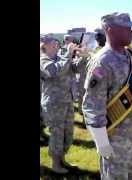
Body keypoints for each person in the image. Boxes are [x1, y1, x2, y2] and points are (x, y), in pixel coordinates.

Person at [82, 12, 132, 180]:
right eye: (126, 28)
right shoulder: (102, 62)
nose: (131, 31)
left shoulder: (130, 56)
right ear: (110, 30)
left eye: (131, 28)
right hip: (113, 138)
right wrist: (101, 141)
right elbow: (91, 105)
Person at [40, 35, 80, 173]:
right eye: (53, 42)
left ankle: (63, 160)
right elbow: (54, 71)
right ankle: (55, 165)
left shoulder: (59, 57)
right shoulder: (43, 59)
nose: (57, 44)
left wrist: (83, 57)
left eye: (56, 42)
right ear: (44, 45)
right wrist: (68, 55)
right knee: (57, 134)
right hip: (53, 103)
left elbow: (75, 68)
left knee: (67, 133)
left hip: (66, 100)